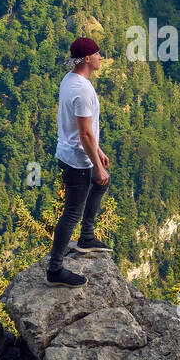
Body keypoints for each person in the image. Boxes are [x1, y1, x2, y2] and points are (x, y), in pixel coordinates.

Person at [46, 36, 113, 287]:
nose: (100, 58)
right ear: (87, 59)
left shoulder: (70, 80)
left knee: (102, 184)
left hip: (71, 151)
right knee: (72, 212)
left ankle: (86, 238)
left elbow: (83, 130)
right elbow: (83, 133)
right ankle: (55, 269)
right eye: (97, 54)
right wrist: (96, 164)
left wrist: (97, 149)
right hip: (77, 160)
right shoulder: (83, 91)